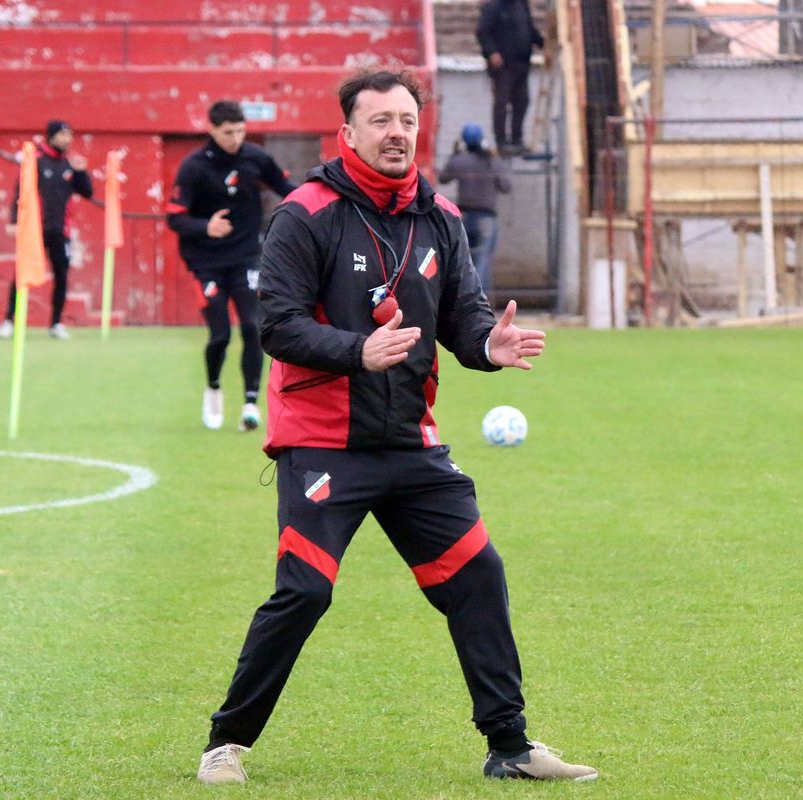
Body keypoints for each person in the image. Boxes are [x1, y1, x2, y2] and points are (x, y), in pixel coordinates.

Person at [195, 70, 597, 786]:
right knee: (306, 592)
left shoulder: (440, 216)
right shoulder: (305, 213)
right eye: (379, 120)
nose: (396, 133)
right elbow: (278, 326)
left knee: (479, 574)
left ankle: (510, 746)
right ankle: (225, 743)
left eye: (406, 119)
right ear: (347, 133)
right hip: (323, 442)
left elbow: (462, 318)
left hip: (410, 443)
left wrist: (486, 347)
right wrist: (356, 350)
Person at [166, 100, 297, 432]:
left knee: (253, 327)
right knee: (220, 335)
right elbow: (174, 218)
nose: (235, 138)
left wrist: (322, 202)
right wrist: (205, 226)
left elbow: (288, 190)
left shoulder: (255, 158)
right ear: (211, 128)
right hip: (205, 262)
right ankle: (212, 386)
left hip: (246, 257)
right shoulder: (193, 166)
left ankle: (251, 404)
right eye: (228, 132)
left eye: (241, 131)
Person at [0, 120, 92, 340]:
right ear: (51, 136)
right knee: (22, 274)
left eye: (70, 135)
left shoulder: (70, 165)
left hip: (61, 231)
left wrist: (81, 172)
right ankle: (9, 321)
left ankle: (56, 323)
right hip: (35, 230)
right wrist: (14, 221)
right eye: (63, 134)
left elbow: (86, 192)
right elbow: (20, 191)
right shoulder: (36, 161)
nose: (67, 139)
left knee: (62, 276)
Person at [439, 122, 511, 295]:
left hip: (464, 217)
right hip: (486, 217)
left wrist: (454, 155)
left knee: (464, 262)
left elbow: (443, 178)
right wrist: (496, 159)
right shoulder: (491, 161)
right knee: (482, 261)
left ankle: (464, 301)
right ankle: (481, 303)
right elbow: (506, 186)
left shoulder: (459, 161)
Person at [476, 0, 544, 156]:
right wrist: (492, 52)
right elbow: (482, 33)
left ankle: (517, 139)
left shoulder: (522, 5)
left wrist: (542, 42)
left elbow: (530, 29)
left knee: (522, 102)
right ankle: (502, 142)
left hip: (522, 64)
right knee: (502, 103)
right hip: (503, 66)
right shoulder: (493, 7)